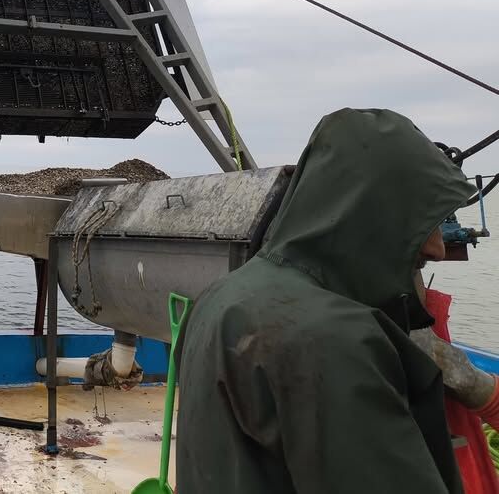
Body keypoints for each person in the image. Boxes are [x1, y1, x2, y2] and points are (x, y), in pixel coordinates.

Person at [176, 108, 474, 493]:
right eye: (420, 220)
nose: (437, 248)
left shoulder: (219, 298)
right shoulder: (333, 341)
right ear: (367, 212)